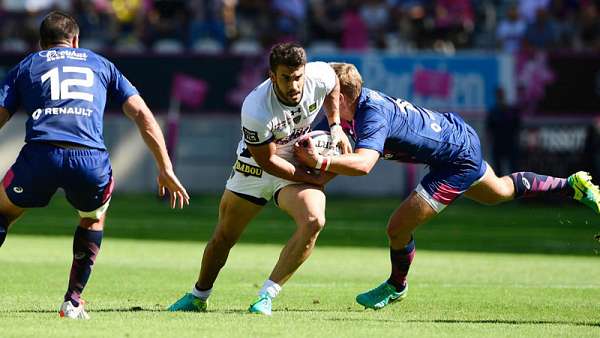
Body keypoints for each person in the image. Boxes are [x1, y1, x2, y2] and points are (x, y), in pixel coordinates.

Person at [295, 63, 600, 310]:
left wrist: (319, 164)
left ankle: (396, 286)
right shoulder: (345, 114)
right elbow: (325, 152)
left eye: (326, 94)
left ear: (343, 97)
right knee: (500, 193)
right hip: (456, 136)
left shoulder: (370, 114)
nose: (321, 101)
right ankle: (571, 185)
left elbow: (362, 165)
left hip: (455, 159)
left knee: (397, 228)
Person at [0, 11, 189, 320]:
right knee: (92, 219)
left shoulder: (26, 65)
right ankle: (72, 302)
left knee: (3, 213)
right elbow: (141, 114)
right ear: (75, 41)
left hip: (41, 155)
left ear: (40, 44)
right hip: (89, 159)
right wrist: (165, 166)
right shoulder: (100, 64)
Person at [168, 42, 351, 316]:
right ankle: (198, 295)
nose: (294, 85)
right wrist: (313, 177)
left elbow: (334, 83)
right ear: (272, 75)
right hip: (254, 167)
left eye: (298, 77)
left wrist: (335, 125)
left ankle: (266, 295)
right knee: (223, 238)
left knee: (314, 220)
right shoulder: (256, 109)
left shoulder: (320, 74)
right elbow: (268, 161)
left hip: (296, 159)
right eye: (286, 78)